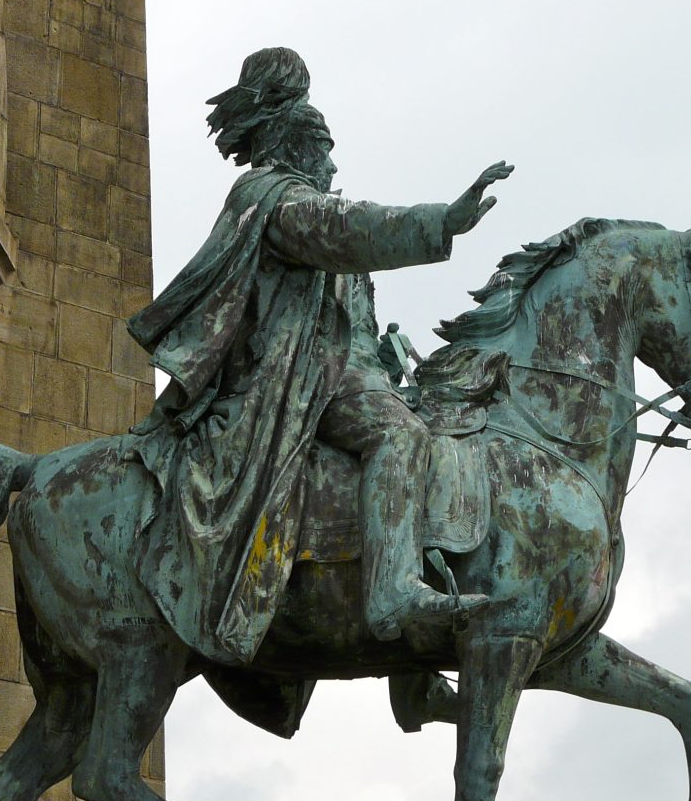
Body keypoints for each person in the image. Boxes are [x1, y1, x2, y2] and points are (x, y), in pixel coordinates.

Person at [127, 47, 512, 665]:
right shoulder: (273, 197)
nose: (334, 162)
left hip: (351, 378)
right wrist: (443, 219)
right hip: (301, 385)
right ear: (296, 147)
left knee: (444, 444)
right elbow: (341, 229)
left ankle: (413, 668)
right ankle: (393, 594)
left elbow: (347, 320)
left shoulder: (302, 210)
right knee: (402, 440)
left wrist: (385, 355)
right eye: (324, 146)